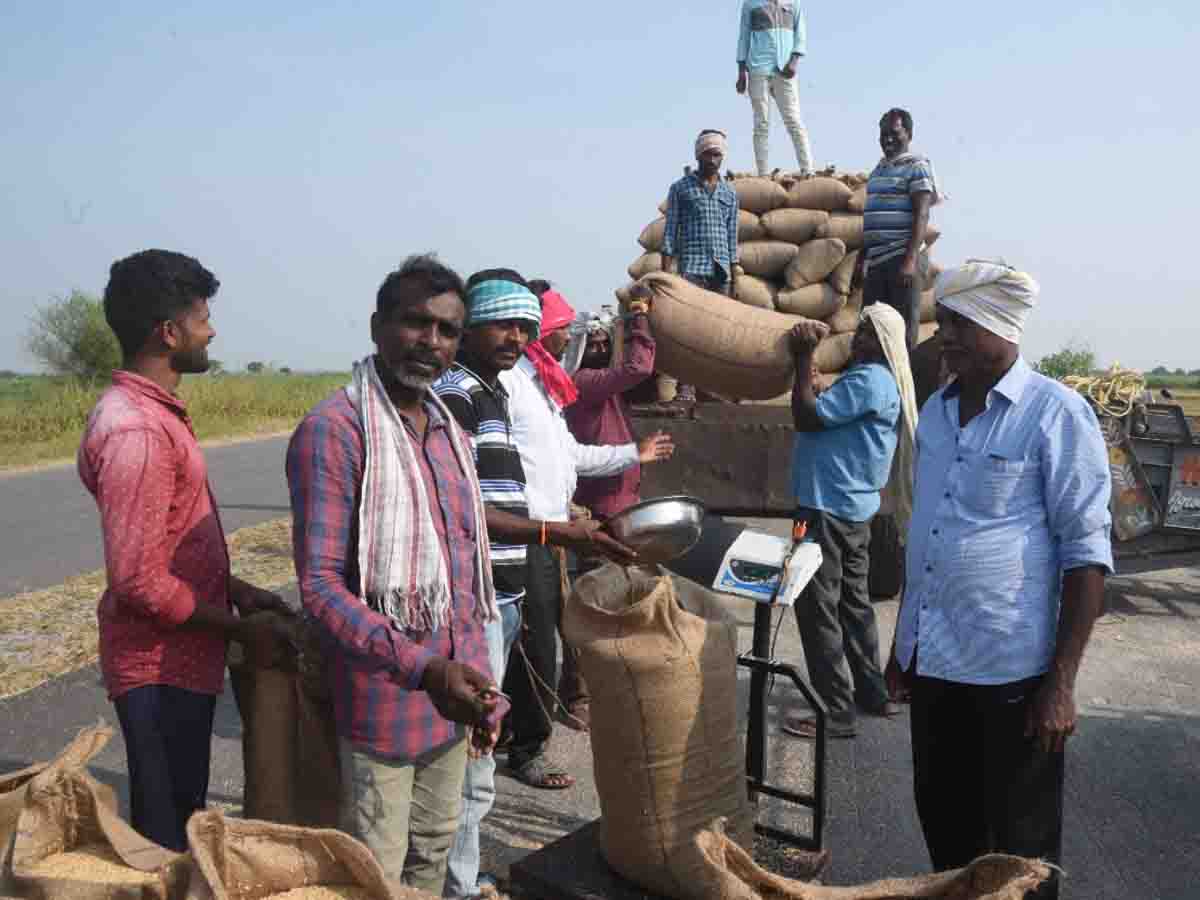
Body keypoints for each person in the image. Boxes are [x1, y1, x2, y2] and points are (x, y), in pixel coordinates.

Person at [887, 260, 1113, 899]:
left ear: (998, 324)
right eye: (946, 322)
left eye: (959, 324)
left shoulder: (1055, 413)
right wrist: (903, 648)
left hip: (1012, 676)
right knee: (947, 832)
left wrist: (1061, 683)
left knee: (1022, 851)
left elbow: (1086, 555)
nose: (947, 337)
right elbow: (927, 537)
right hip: (935, 671)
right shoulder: (936, 412)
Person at [286, 254, 505, 892]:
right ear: (379, 326)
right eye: (415, 323)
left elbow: (463, 572)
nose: (430, 342)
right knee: (374, 873)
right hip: (386, 703)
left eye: (446, 330)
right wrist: (423, 668)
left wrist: (476, 681)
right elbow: (321, 588)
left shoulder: (446, 430)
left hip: (451, 701)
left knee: (434, 852)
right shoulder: (336, 431)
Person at [433, 270, 632, 898]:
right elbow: (455, 507)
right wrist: (556, 533)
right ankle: (456, 885)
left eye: (525, 326)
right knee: (470, 758)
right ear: (470, 325)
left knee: (476, 753)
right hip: (473, 598)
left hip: (504, 591)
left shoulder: (500, 389)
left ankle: (456, 874)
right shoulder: (458, 393)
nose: (515, 337)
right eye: (503, 324)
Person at [78, 249, 286, 851]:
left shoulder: (154, 414)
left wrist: (237, 592)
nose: (212, 330)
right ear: (168, 333)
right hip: (158, 666)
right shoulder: (137, 432)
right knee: (166, 839)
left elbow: (164, 541)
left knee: (182, 816)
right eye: (202, 318)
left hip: (183, 656)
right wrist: (241, 629)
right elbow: (139, 582)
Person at [500, 282, 674, 789]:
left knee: (540, 635)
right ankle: (528, 745)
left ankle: (518, 731)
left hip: (551, 530)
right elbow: (637, 369)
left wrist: (630, 455)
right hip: (527, 532)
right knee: (534, 643)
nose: (577, 343)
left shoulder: (543, 386)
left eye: (594, 339)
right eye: (565, 333)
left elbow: (568, 455)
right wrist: (639, 317)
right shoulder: (519, 386)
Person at [782, 303, 917, 739]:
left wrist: (803, 356)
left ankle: (833, 711)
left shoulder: (868, 380)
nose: (854, 339)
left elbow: (806, 415)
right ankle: (872, 693)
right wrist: (817, 380)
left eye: (863, 333)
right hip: (853, 511)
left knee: (818, 608)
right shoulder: (880, 383)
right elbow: (832, 409)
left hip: (825, 510)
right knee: (854, 607)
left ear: (878, 341)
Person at [565, 298, 657, 520]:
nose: (601, 350)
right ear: (580, 349)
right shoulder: (583, 381)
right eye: (593, 345)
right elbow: (638, 368)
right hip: (603, 504)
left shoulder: (606, 383)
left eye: (606, 344)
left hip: (619, 499)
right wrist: (640, 316)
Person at [859, 108, 941, 350]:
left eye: (894, 133)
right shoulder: (878, 170)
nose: (888, 139)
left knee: (902, 333)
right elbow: (871, 216)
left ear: (909, 134)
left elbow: (922, 213)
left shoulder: (917, 166)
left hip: (902, 258)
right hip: (877, 261)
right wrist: (863, 257)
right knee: (872, 329)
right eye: (884, 134)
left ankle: (903, 386)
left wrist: (910, 260)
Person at [735, 0, 813, 176]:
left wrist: (794, 60)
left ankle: (808, 170)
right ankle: (763, 173)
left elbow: (800, 33)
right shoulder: (751, 4)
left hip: (785, 68)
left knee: (793, 119)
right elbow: (744, 36)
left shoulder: (793, 3)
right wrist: (741, 71)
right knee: (761, 122)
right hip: (758, 66)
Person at [661, 130, 740, 298]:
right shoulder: (680, 188)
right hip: (692, 270)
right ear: (698, 156)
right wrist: (665, 276)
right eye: (707, 154)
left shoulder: (730, 192)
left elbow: (732, 238)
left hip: (721, 273)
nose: (712, 160)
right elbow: (670, 233)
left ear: (722, 157)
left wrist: (735, 279)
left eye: (716, 155)